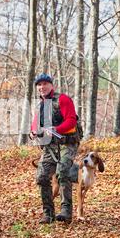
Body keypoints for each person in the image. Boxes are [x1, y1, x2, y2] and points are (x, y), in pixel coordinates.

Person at [29, 73, 81, 224]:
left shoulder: (63, 99)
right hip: (50, 146)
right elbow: (35, 124)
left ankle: (66, 212)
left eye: (45, 84)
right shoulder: (41, 106)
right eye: (39, 85)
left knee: (62, 172)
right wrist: (33, 132)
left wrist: (55, 128)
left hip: (67, 143)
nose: (42, 87)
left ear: (51, 85)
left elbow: (71, 121)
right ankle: (48, 214)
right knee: (42, 177)